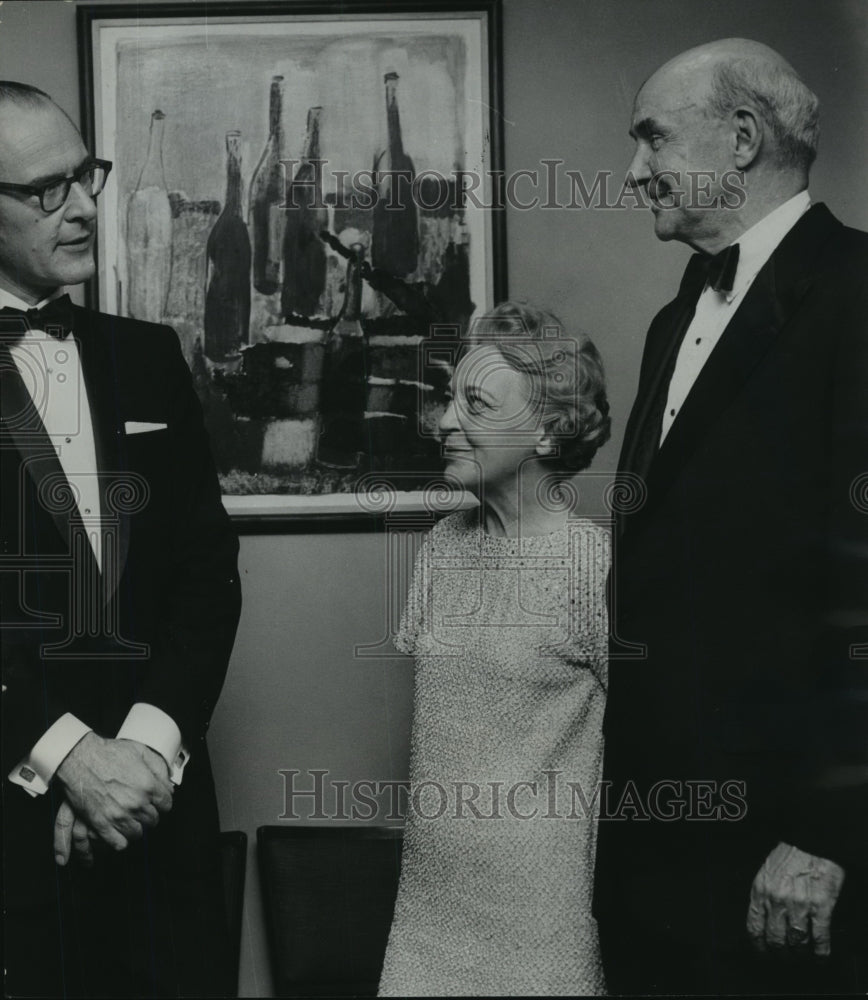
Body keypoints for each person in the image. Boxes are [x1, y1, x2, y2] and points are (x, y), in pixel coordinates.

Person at [595, 39, 868, 995]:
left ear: (742, 139)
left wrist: (827, 835)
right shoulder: (675, 317)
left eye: (653, 138)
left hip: (784, 863)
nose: (635, 172)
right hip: (657, 865)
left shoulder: (858, 292)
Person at [0, 82, 241, 996]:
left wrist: (137, 755)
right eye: (45, 191)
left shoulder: (147, 355)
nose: (87, 206)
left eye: (86, 176)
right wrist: (68, 758)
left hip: (158, 818)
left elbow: (205, 578)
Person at [378, 301, 612, 996]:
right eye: (450, 399)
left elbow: (661, 738)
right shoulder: (441, 547)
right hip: (428, 917)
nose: (443, 422)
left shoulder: (591, 568)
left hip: (548, 923)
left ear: (548, 428)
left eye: (474, 403)